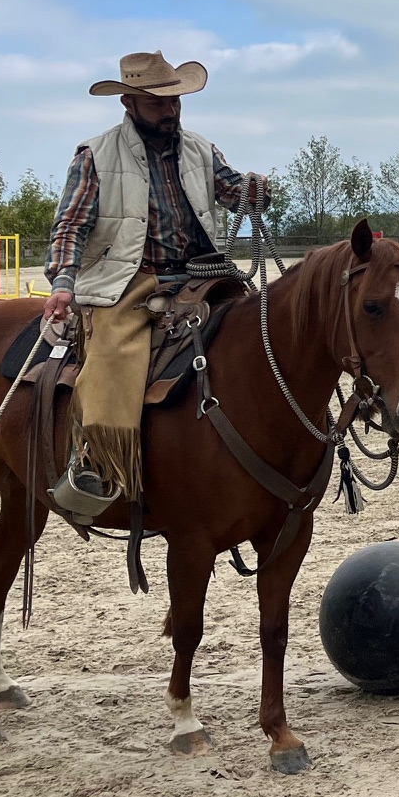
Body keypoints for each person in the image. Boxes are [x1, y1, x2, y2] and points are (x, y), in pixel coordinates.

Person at [43, 51, 271, 520]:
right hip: (126, 281)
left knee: (263, 333)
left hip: (203, 274)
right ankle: (96, 461)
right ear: (128, 102)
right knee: (114, 354)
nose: (170, 111)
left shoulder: (200, 149)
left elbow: (230, 189)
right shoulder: (95, 155)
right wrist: (64, 282)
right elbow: (70, 227)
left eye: (175, 102)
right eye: (157, 104)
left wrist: (253, 189)